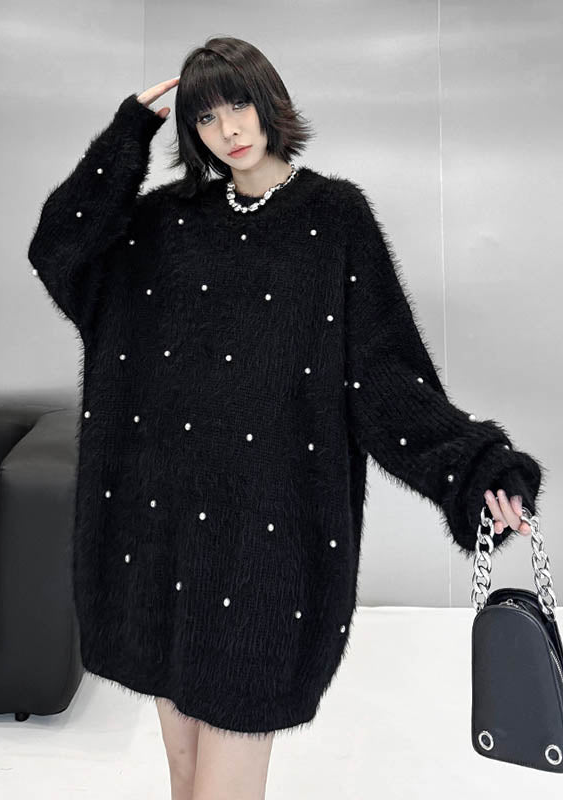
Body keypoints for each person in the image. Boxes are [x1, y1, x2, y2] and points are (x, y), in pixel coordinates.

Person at [27, 36, 543, 800]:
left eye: (239, 103)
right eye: (206, 117)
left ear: (269, 101)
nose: (229, 129)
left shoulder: (334, 217)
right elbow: (60, 249)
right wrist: (125, 137)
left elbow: (385, 374)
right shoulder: (165, 224)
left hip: (265, 549)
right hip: (164, 544)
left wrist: (474, 471)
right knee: (184, 776)